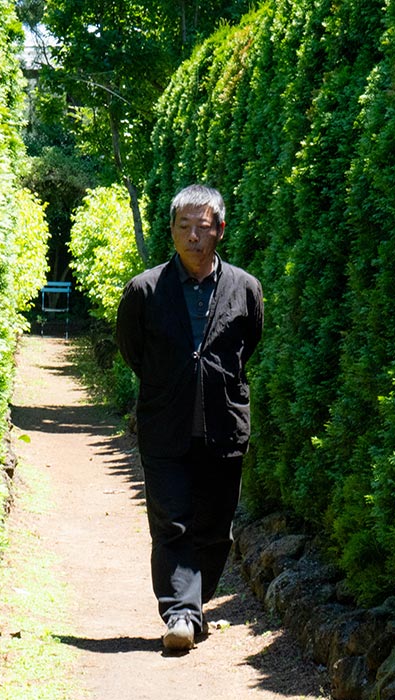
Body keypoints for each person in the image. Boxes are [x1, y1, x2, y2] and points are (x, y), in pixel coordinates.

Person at [116, 184, 263, 652]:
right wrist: (172, 381)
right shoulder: (144, 289)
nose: (193, 237)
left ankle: (194, 609)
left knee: (215, 529)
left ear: (220, 230)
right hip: (166, 424)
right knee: (172, 522)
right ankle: (179, 615)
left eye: (202, 227)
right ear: (172, 231)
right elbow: (132, 348)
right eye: (184, 227)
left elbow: (249, 343)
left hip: (224, 426)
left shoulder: (246, 288)